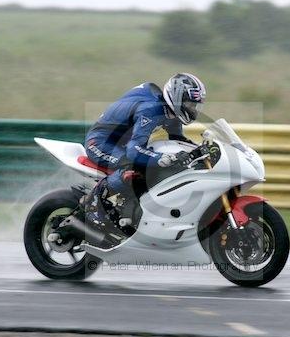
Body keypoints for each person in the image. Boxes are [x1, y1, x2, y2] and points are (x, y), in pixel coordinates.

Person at [84, 73, 207, 227]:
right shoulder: (150, 110)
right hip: (100, 142)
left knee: (156, 166)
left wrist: (200, 151)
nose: (193, 110)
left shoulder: (170, 111)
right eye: (190, 104)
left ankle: (131, 208)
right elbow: (133, 151)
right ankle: (94, 205)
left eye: (195, 106)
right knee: (133, 167)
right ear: (177, 98)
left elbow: (178, 140)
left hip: (122, 144)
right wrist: (162, 158)